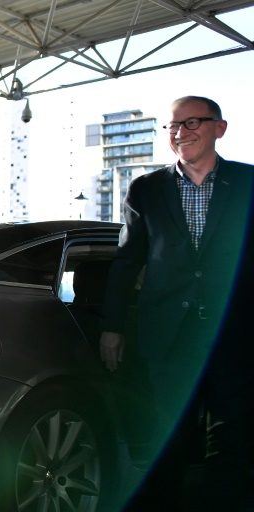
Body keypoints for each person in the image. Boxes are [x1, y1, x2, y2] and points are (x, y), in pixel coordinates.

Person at [100, 96, 254, 511]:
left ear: (219, 128)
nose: (180, 132)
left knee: (235, 436)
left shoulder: (248, 182)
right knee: (169, 434)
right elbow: (127, 261)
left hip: (236, 335)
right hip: (168, 336)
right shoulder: (146, 189)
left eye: (192, 123)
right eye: (173, 126)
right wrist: (112, 326)